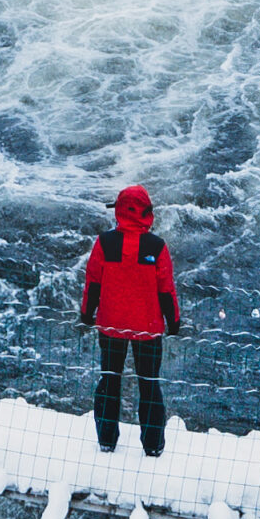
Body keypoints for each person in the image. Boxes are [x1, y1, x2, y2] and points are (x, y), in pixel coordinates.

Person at [80, 185, 180, 458]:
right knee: (149, 385)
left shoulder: (104, 243)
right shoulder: (157, 247)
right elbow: (166, 290)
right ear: (147, 214)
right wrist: (174, 322)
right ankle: (153, 446)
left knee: (109, 381)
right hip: (147, 329)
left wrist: (86, 315)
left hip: (111, 325)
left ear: (121, 212)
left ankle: (106, 441)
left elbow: (93, 283)